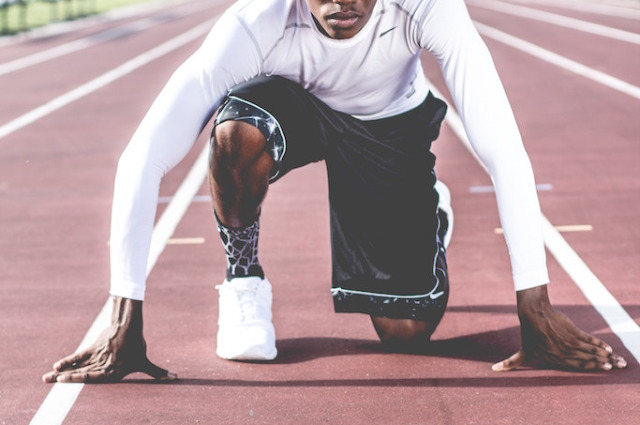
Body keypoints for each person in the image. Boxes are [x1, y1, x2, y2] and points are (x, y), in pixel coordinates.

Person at [43, 0, 627, 383]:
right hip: (297, 109)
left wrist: (536, 306)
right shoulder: (258, 21)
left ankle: (432, 221)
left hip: (387, 125)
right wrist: (123, 314)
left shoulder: (427, 6)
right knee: (235, 131)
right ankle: (243, 279)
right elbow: (144, 154)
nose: (341, 2)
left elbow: (502, 147)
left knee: (406, 335)